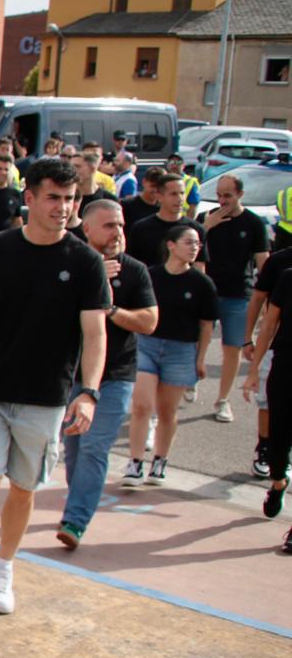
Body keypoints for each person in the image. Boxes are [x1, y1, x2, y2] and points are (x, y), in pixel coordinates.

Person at [0, 158, 108, 633]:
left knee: (24, 488)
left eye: (71, 198)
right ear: (30, 198)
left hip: (47, 398)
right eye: (54, 197)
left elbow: (95, 335)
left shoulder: (84, 262)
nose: (63, 207)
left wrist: (89, 393)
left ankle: (5, 567)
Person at [56, 200, 157, 549]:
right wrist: (93, 278)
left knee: (95, 449)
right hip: (71, 375)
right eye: (109, 226)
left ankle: (75, 520)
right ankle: (78, 500)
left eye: (121, 225)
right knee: (73, 449)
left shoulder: (136, 270)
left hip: (116, 376)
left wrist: (110, 308)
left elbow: (148, 321)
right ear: (87, 229)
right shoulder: (71, 264)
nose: (118, 233)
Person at [121, 226, 217, 489]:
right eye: (188, 242)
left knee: (167, 411)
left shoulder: (202, 283)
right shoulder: (150, 275)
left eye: (197, 243)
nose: (194, 247)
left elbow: (207, 325)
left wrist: (200, 358)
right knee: (141, 405)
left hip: (181, 349)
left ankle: (160, 460)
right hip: (147, 345)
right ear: (171, 245)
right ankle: (135, 462)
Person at [201, 173, 269, 423]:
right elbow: (184, 246)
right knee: (197, 341)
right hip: (206, 291)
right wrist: (205, 228)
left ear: (240, 195)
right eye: (219, 195)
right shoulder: (206, 219)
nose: (222, 201)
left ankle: (222, 400)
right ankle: (189, 381)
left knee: (232, 348)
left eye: (227, 195)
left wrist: (266, 300)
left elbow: (264, 263)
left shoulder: (253, 223)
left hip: (239, 294)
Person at [244, 268, 292, 550]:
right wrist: (253, 371)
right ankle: (278, 481)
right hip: (286, 365)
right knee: (277, 441)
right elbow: (270, 322)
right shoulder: (287, 277)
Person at [125, 173, 209, 271]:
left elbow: (199, 267)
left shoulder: (195, 229)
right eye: (173, 194)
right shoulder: (141, 229)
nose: (179, 199)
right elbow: (132, 266)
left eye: (182, 193)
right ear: (159, 196)